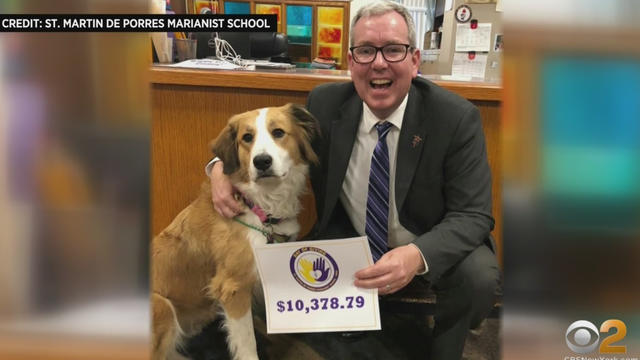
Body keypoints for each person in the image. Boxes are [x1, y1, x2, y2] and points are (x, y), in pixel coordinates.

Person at [208, 1, 499, 358]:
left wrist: (416, 254)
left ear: (415, 59)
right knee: (292, 321)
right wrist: (218, 167)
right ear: (351, 61)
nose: (378, 63)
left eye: (393, 49)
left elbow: (474, 215)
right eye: (365, 51)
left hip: (427, 241)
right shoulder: (325, 104)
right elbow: (271, 141)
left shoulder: (456, 118)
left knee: (479, 275)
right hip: (351, 238)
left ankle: (447, 343)